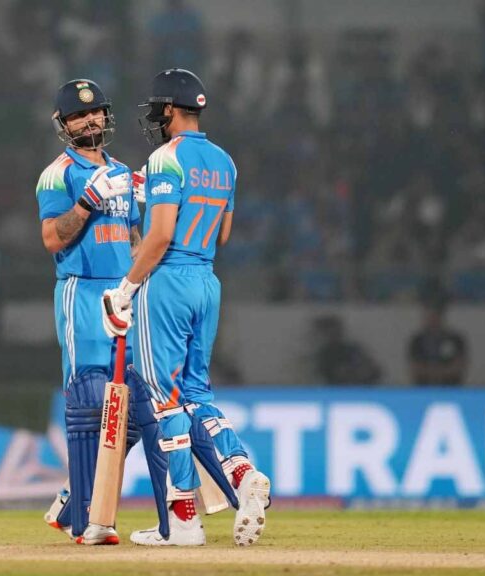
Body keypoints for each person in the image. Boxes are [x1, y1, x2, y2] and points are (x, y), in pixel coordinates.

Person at [100, 69, 271, 546]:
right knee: (196, 392)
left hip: (168, 281)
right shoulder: (225, 161)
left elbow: (158, 237)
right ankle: (241, 471)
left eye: (158, 108)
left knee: (166, 400)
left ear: (171, 109)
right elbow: (223, 234)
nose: (155, 116)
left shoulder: (165, 158)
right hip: (207, 280)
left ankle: (184, 520)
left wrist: (125, 290)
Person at [36, 78, 141, 545]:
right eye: (79, 115)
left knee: (139, 404)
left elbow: (134, 239)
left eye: (95, 110)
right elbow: (51, 239)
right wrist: (85, 203)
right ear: (64, 124)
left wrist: (142, 283)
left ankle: (72, 498)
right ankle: (86, 520)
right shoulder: (57, 174)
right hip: (81, 291)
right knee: (90, 398)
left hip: (124, 293)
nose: (90, 119)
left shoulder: (124, 172)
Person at [408, 300, 469, 386]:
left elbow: (458, 367)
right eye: (429, 317)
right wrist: (440, 372)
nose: (432, 320)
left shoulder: (455, 340)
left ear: (441, 317)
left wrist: (436, 372)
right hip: (424, 388)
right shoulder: (417, 341)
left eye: (435, 316)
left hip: (450, 388)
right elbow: (415, 368)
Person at [313, 315, 382, 385]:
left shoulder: (352, 349)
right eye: (329, 332)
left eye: (335, 331)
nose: (333, 334)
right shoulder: (321, 357)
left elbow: (374, 371)